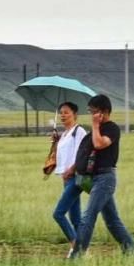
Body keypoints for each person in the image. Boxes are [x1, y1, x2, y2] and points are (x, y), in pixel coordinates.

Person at [68, 94, 134, 259]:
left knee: (88, 217)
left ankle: (76, 257)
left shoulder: (112, 129)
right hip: (95, 179)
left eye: (95, 111)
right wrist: (72, 169)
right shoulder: (95, 130)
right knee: (112, 222)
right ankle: (132, 253)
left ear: (105, 111)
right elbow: (87, 152)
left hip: (106, 178)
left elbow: (99, 144)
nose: (92, 115)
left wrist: (95, 126)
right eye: (90, 112)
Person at [50, 101, 88, 247]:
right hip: (66, 179)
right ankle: (84, 252)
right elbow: (60, 157)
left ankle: (76, 248)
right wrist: (55, 142)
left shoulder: (79, 131)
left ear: (75, 115)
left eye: (66, 112)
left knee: (58, 214)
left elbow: (82, 154)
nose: (63, 115)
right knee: (76, 219)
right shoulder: (64, 134)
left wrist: (70, 170)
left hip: (75, 178)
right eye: (61, 112)